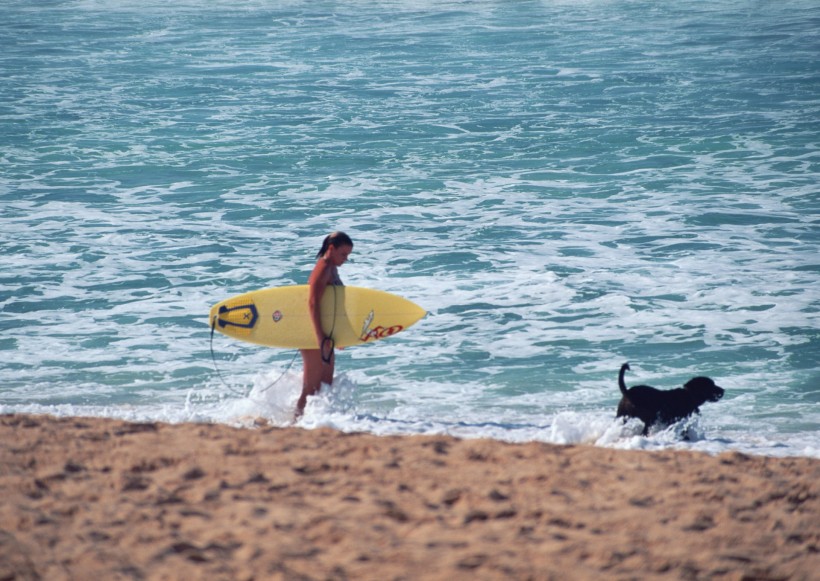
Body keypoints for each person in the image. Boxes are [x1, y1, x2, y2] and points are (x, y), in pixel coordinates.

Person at [296, 231, 354, 418]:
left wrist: (339, 335)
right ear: (331, 248)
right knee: (311, 387)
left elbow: (332, 305)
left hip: (324, 335)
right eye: (343, 254)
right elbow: (313, 303)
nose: (346, 259)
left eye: (348, 255)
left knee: (326, 384)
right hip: (313, 334)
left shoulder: (332, 268)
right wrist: (320, 338)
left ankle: (315, 421)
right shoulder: (323, 267)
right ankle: (295, 423)